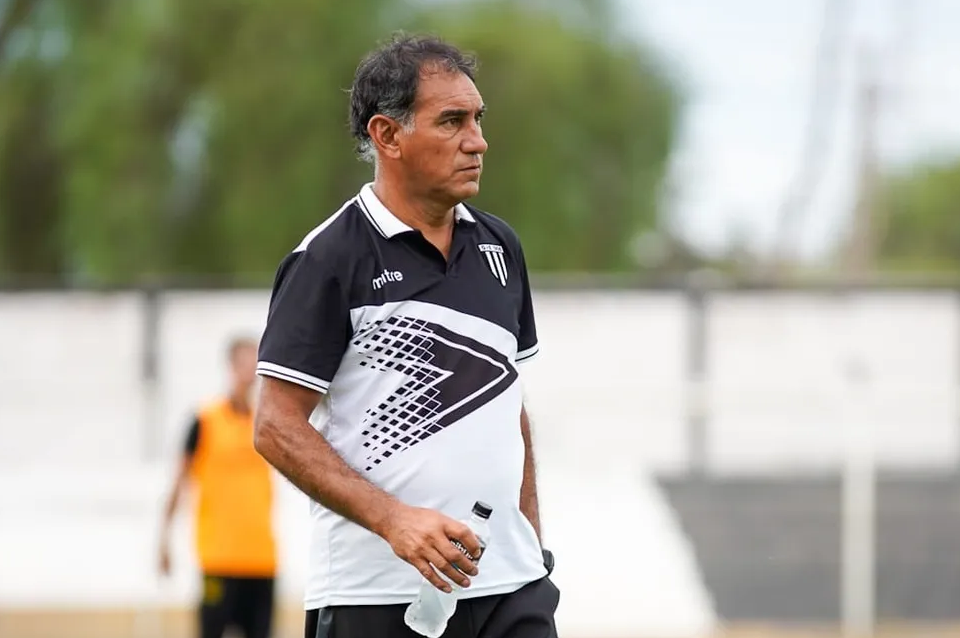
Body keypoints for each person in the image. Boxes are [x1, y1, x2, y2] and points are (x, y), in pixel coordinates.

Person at [252, 33, 559, 638]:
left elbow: (507, 407)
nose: (477, 140)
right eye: (451, 121)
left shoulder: (501, 247)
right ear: (387, 135)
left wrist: (532, 545)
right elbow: (275, 425)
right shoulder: (329, 258)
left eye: (477, 119)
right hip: (378, 597)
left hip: (513, 589)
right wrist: (393, 519)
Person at [159, 336, 277, 638]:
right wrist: (164, 539)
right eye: (245, 362)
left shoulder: (267, 422)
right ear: (231, 366)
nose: (251, 370)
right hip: (218, 557)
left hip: (261, 557)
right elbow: (179, 482)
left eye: (255, 362)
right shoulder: (204, 420)